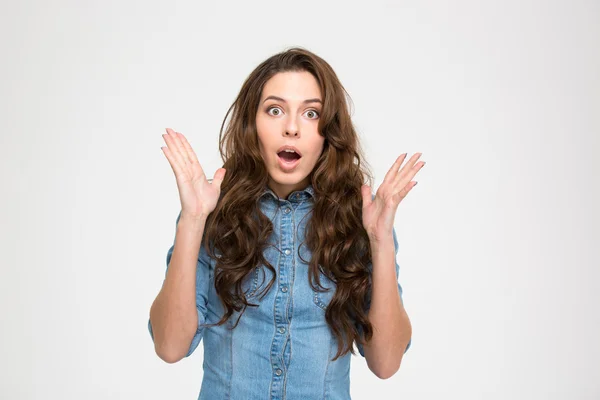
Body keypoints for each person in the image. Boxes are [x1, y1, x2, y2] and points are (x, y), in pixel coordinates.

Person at [148, 47, 424, 400]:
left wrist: (380, 241)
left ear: (328, 132)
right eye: (275, 110)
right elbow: (170, 347)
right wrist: (192, 220)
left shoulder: (361, 220)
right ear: (253, 122)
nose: (291, 128)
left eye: (311, 113)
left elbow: (385, 364)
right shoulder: (212, 210)